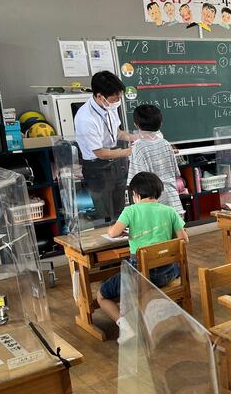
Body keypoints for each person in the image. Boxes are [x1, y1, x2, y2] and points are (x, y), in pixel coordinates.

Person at [96, 172, 189, 325]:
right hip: (169, 272)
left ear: (136, 195)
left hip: (140, 277)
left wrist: (112, 228)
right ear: (158, 192)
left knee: (101, 295)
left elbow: (113, 233)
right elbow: (184, 240)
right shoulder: (170, 211)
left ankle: (124, 324)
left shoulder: (131, 211)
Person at [74, 71, 135, 224]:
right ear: (100, 97)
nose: (118, 101)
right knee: (105, 217)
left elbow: (117, 132)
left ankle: (122, 236)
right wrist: (129, 152)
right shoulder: (86, 118)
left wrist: (134, 137)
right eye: (115, 99)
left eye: (119, 97)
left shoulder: (110, 106)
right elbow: (100, 153)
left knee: (120, 213)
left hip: (116, 163)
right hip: (97, 168)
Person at [127, 104, 184, 216]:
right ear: (160, 124)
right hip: (172, 198)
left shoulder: (138, 147)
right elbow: (176, 173)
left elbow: (137, 180)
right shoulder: (166, 144)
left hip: (153, 201)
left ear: (136, 125)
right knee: (176, 226)